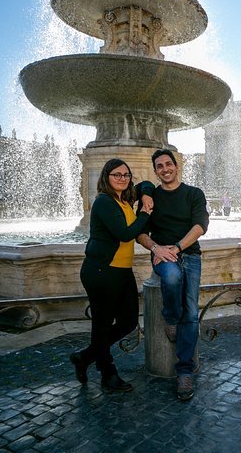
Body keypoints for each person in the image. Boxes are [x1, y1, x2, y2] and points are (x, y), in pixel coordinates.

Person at [70, 159, 154, 392]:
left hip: (122, 270)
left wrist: (145, 194)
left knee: (127, 322)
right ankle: (108, 373)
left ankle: (85, 357)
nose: (122, 178)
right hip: (101, 271)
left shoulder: (125, 198)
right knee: (102, 326)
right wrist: (145, 213)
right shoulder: (104, 202)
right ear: (106, 177)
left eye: (126, 175)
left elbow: (147, 183)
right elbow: (125, 234)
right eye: (117, 175)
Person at [137, 149, 209, 401]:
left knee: (191, 311)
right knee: (171, 278)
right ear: (155, 171)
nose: (165, 169)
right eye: (159, 166)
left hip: (189, 254)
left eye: (169, 164)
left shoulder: (194, 194)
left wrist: (177, 248)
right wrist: (157, 249)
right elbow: (140, 232)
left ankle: (185, 371)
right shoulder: (150, 197)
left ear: (176, 166)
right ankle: (169, 317)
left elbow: (200, 226)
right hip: (162, 255)